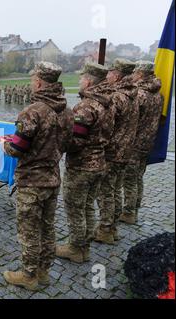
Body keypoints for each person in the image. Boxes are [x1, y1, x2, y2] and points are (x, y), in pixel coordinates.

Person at [1, 62, 73, 291]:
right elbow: (67, 143)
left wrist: (6, 144)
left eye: (33, 80)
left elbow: (17, 149)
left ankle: (29, 275)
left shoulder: (33, 112)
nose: (32, 83)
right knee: (47, 227)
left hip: (32, 181)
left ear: (40, 82)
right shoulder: (67, 110)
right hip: (53, 178)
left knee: (29, 231)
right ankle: (44, 271)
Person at [56, 63, 112, 263]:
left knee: (75, 208)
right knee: (88, 207)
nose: (79, 81)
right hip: (99, 163)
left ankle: (75, 248)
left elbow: (76, 141)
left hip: (82, 166)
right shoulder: (107, 102)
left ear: (88, 81)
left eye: (81, 78)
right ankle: (84, 247)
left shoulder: (86, 107)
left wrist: (59, 142)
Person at [95, 58, 138, 244]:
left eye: (110, 73)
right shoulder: (133, 94)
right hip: (126, 151)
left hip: (112, 152)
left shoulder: (116, 97)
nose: (107, 76)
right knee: (115, 190)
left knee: (105, 192)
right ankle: (112, 227)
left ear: (117, 75)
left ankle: (105, 230)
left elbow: (106, 126)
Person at [120, 61, 163, 225]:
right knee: (138, 177)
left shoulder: (139, 95)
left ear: (140, 74)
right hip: (148, 142)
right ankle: (134, 209)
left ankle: (129, 212)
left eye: (135, 72)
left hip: (134, 141)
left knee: (130, 179)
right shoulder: (158, 94)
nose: (132, 75)